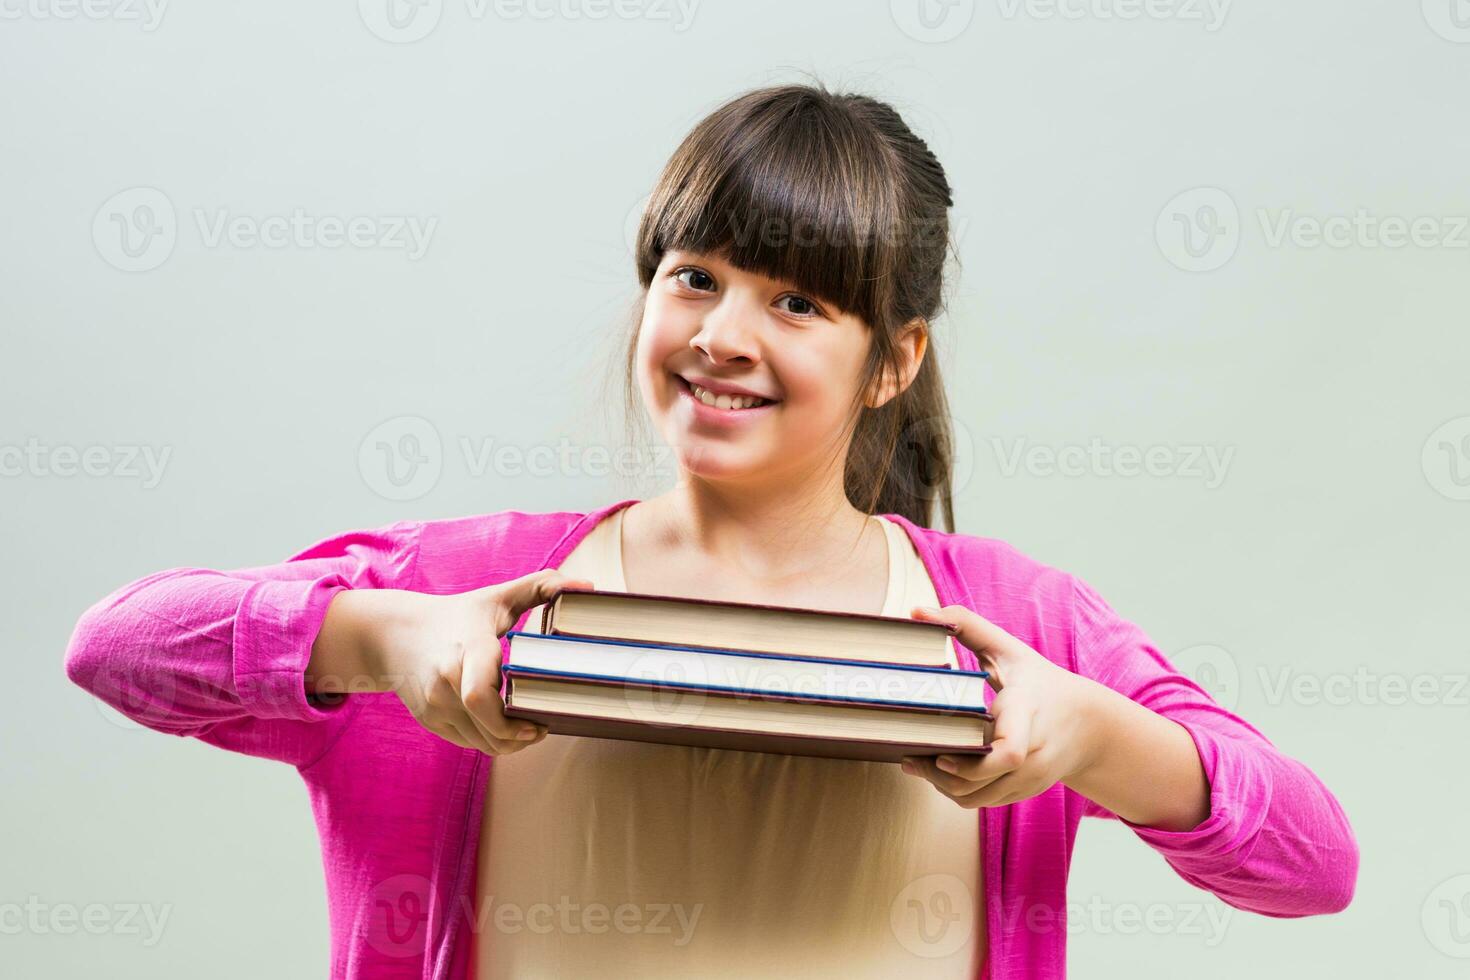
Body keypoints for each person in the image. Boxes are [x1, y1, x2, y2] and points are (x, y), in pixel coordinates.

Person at [63, 82, 1358, 979]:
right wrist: (383, 635)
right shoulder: (471, 591)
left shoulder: (1015, 624)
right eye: (694, 276)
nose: (721, 335)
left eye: (797, 299)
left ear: (893, 358)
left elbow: (1311, 861)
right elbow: (116, 651)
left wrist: (1089, 732)